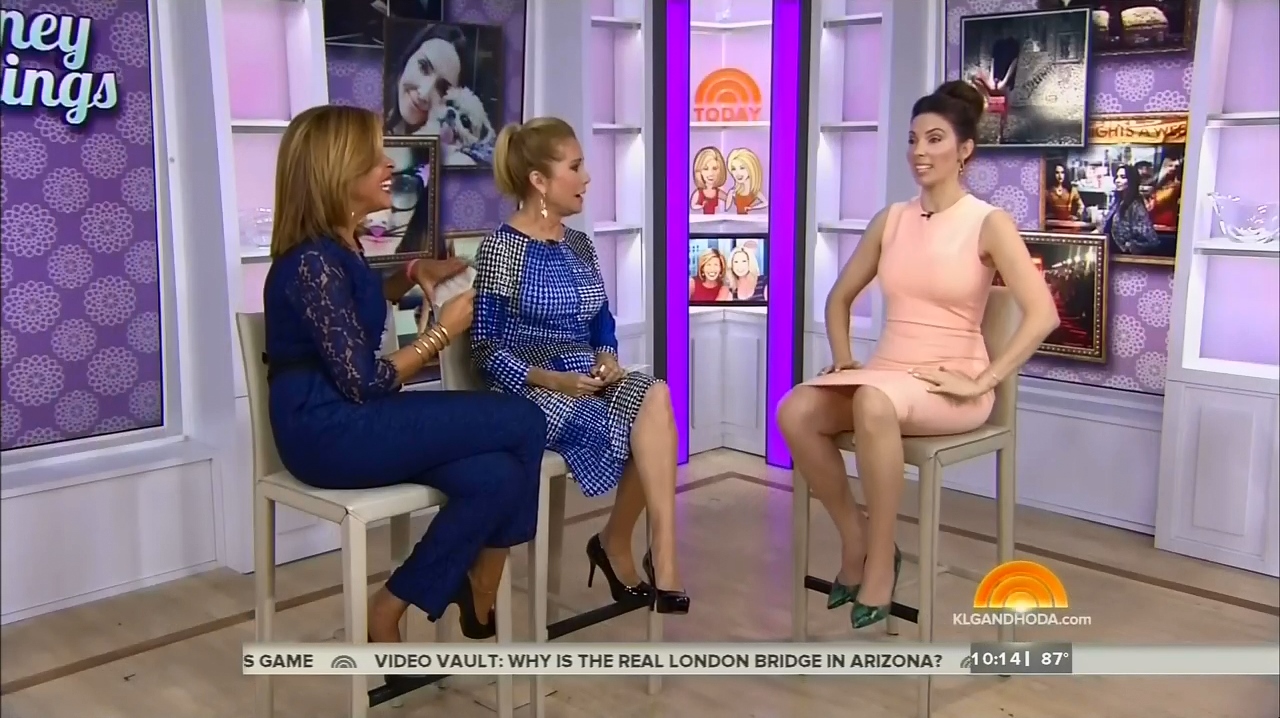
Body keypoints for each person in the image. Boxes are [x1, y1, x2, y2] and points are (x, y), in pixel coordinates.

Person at [261, 106, 548, 664]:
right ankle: (483, 585)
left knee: (496, 476)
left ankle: (391, 605)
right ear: (337, 171)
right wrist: (443, 333)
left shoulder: (339, 248)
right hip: (328, 432)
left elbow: (353, 314)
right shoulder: (310, 263)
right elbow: (364, 381)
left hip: (352, 421)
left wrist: (412, 273)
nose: (388, 164)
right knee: (524, 419)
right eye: (373, 157)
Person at [775, 81, 1059, 630]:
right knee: (796, 409)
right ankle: (857, 539)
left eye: (934, 139)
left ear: (965, 150)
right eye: (912, 139)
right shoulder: (892, 219)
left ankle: (881, 565)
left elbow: (1042, 313)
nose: (919, 152)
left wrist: (985, 380)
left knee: (873, 402)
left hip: (951, 383)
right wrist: (844, 358)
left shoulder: (988, 222)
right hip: (887, 377)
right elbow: (839, 298)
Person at [472, 117, 689, 615]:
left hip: (586, 376)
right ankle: (616, 547)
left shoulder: (579, 244)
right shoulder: (502, 248)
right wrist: (554, 380)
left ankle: (655, 551)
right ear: (539, 180)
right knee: (640, 427)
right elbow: (485, 349)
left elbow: (601, 322)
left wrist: (608, 357)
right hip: (527, 388)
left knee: (655, 394)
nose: (586, 178)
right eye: (575, 167)